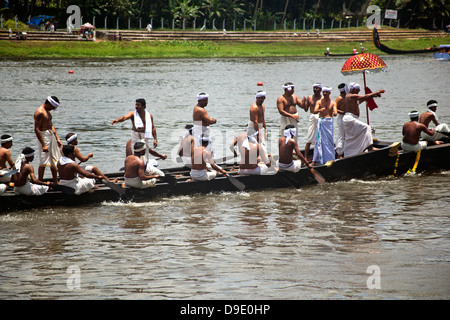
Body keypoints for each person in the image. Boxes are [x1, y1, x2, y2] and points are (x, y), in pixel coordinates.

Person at [342, 83, 384, 157]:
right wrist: (377, 92)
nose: (359, 91)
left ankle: (354, 152)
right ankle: (370, 147)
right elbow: (365, 96)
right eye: (358, 90)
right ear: (354, 89)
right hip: (350, 119)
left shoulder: (353, 98)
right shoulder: (350, 96)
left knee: (354, 136)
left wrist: (374, 95)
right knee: (367, 128)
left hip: (351, 119)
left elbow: (364, 98)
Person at [34, 95, 63, 184]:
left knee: (53, 160)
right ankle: (40, 181)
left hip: (50, 135)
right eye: (53, 107)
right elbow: (36, 129)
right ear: (49, 103)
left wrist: (57, 138)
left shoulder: (47, 111)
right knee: (43, 161)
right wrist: (43, 145)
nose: (53, 109)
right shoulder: (39, 112)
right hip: (44, 137)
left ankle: (55, 181)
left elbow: (51, 125)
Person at [312, 86, 337, 166]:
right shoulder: (319, 102)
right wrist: (320, 110)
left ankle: (330, 158)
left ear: (329, 93)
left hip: (329, 122)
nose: (325, 93)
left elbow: (335, 112)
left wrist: (335, 112)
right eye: (324, 92)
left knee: (329, 141)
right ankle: (316, 159)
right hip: (321, 121)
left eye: (326, 92)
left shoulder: (333, 102)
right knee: (319, 141)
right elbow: (314, 111)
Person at [303, 83, 322, 160]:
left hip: (320, 117)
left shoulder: (323, 98)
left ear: (320, 90)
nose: (315, 90)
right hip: (312, 117)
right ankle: (305, 157)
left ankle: (320, 156)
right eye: (314, 88)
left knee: (320, 137)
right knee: (309, 138)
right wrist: (304, 102)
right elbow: (306, 109)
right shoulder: (309, 97)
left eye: (317, 88)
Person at [334, 83, 348, 158]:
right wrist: (342, 112)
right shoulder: (339, 98)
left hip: (347, 118)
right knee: (341, 135)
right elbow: (335, 108)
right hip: (341, 118)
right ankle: (338, 152)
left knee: (346, 136)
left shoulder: (347, 97)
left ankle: (344, 151)